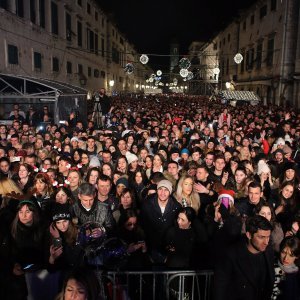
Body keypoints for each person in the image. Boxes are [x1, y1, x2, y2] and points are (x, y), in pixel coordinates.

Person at [214, 215, 275, 300]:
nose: (266, 242)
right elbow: (220, 289)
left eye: (268, 237)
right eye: (261, 237)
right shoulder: (231, 255)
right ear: (249, 235)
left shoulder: (269, 252)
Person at [140, 179, 181, 264]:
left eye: (166, 190)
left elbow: (177, 228)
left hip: (168, 249)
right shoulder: (147, 205)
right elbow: (142, 225)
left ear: (170, 192)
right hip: (150, 247)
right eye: (160, 189)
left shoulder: (176, 207)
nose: (163, 192)